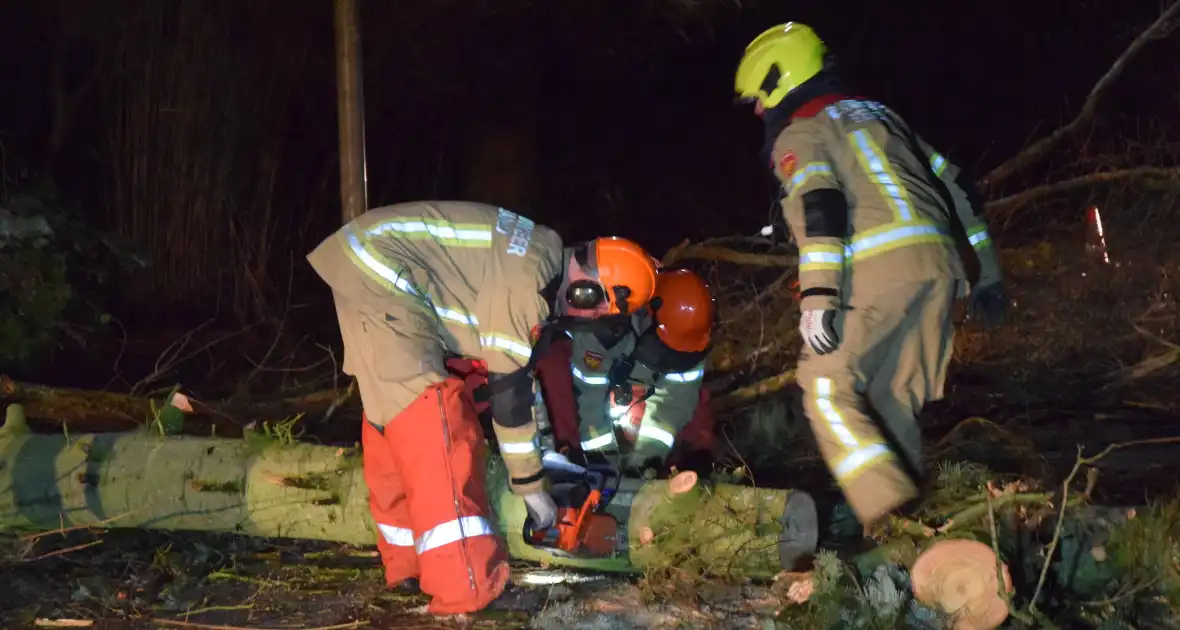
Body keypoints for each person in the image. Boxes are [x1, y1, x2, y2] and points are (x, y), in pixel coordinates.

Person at [306, 201, 658, 614]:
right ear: (590, 289)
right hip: (384, 268)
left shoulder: (538, 261)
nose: (591, 317)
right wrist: (532, 492)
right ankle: (466, 588)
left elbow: (514, 379)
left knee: (394, 419)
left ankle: (407, 568)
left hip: (365, 260)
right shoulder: (527, 285)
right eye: (598, 307)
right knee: (436, 422)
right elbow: (510, 398)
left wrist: (550, 457)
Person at [733, 23, 1007, 529]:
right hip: (941, 272)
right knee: (890, 402)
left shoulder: (799, 133)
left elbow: (820, 203)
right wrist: (988, 272)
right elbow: (959, 186)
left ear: (779, 79)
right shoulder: (882, 116)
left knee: (822, 384)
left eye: (757, 97)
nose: (757, 111)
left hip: (878, 270)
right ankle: (910, 539)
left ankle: (888, 515)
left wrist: (818, 295)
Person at [535, 267, 718, 477]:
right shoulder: (604, 323)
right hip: (594, 376)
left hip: (643, 388)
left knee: (697, 407)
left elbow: (674, 404)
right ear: (647, 315)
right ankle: (567, 457)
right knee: (555, 370)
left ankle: (689, 465)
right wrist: (602, 458)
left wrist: (645, 460)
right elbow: (588, 401)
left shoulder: (692, 342)